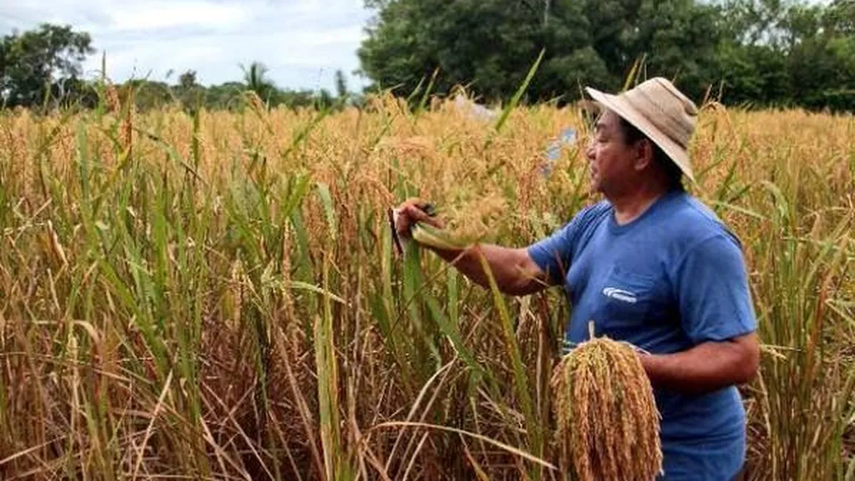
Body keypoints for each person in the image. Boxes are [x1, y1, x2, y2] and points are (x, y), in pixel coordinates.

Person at [393, 77, 760, 480]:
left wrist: (633, 366)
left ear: (641, 154)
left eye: (602, 139)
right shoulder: (594, 221)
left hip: (684, 463)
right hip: (613, 457)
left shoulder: (699, 240)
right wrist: (438, 237)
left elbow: (738, 356)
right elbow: (519, 269)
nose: (587, 150)